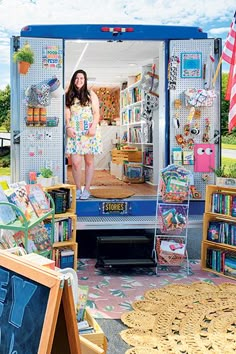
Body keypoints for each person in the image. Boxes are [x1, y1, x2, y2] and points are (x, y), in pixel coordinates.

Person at [65, 69, 102, 200]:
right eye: (76, 78)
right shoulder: (68, 94)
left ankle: (87, 189)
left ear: (85, 80)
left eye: (81, 78)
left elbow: (96, 113)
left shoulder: (91, 94)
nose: (79, 81)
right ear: (73, 80)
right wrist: (68, 127)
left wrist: (93, 128)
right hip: (75, 132)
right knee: (75, 162)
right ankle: (78, 188)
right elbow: (67, 113)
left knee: (89, 161)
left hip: (89, 132)